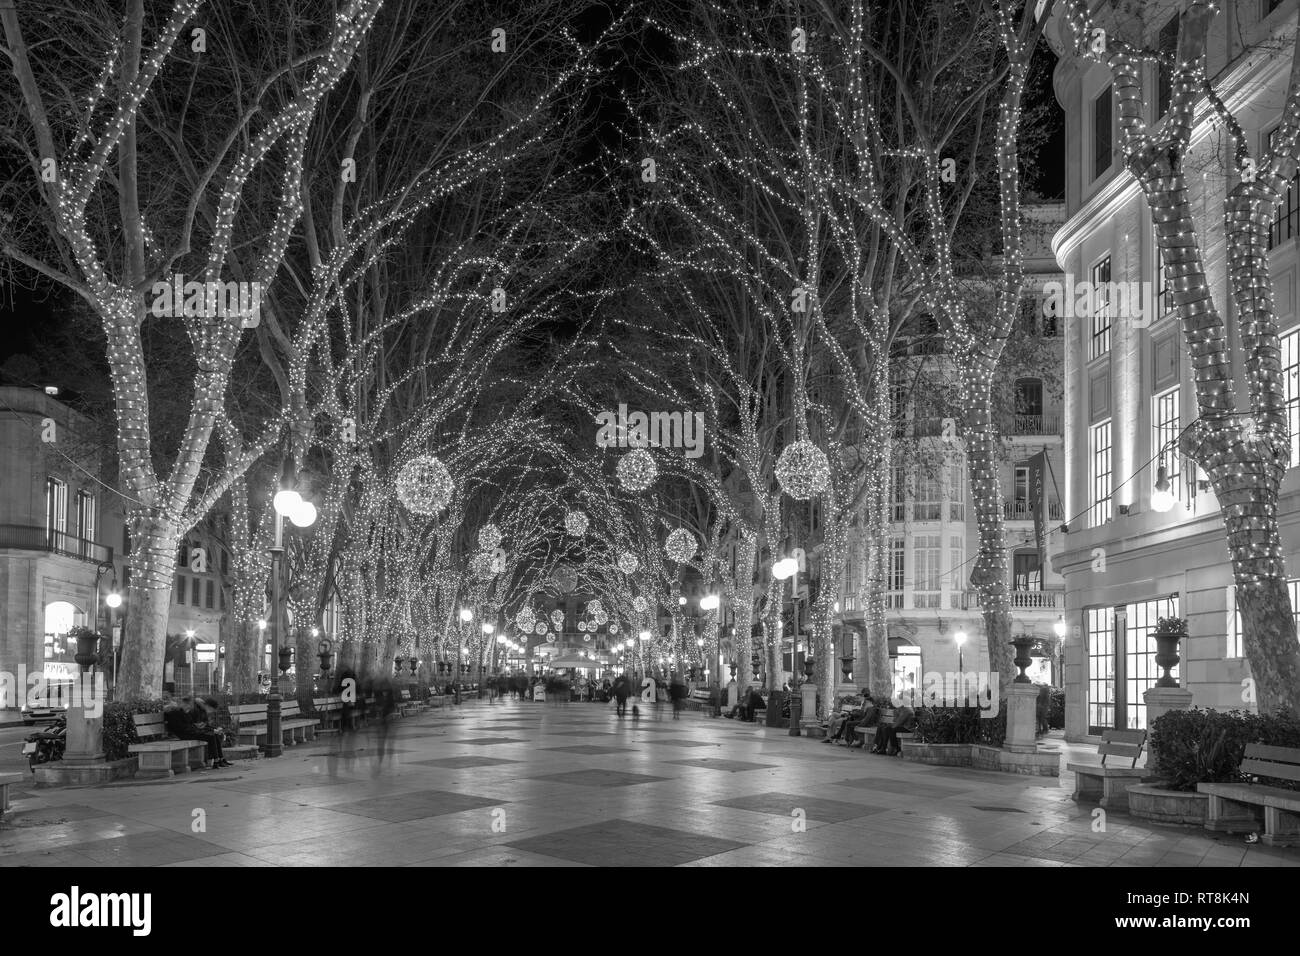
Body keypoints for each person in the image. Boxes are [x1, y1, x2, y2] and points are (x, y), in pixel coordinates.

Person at [164, 696, 230, 768]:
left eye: (189, 705)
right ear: (182, 704)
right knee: (211, 736)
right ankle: (216, 761)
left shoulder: (183, 712)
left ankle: (219, 760)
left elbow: (193, 725)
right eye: (187, 705)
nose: (189, 707)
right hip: (184, 734)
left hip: (190, 732)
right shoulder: (176, 713)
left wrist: (210, 729)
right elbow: (183, 728)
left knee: (214, 735)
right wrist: (200, 729)